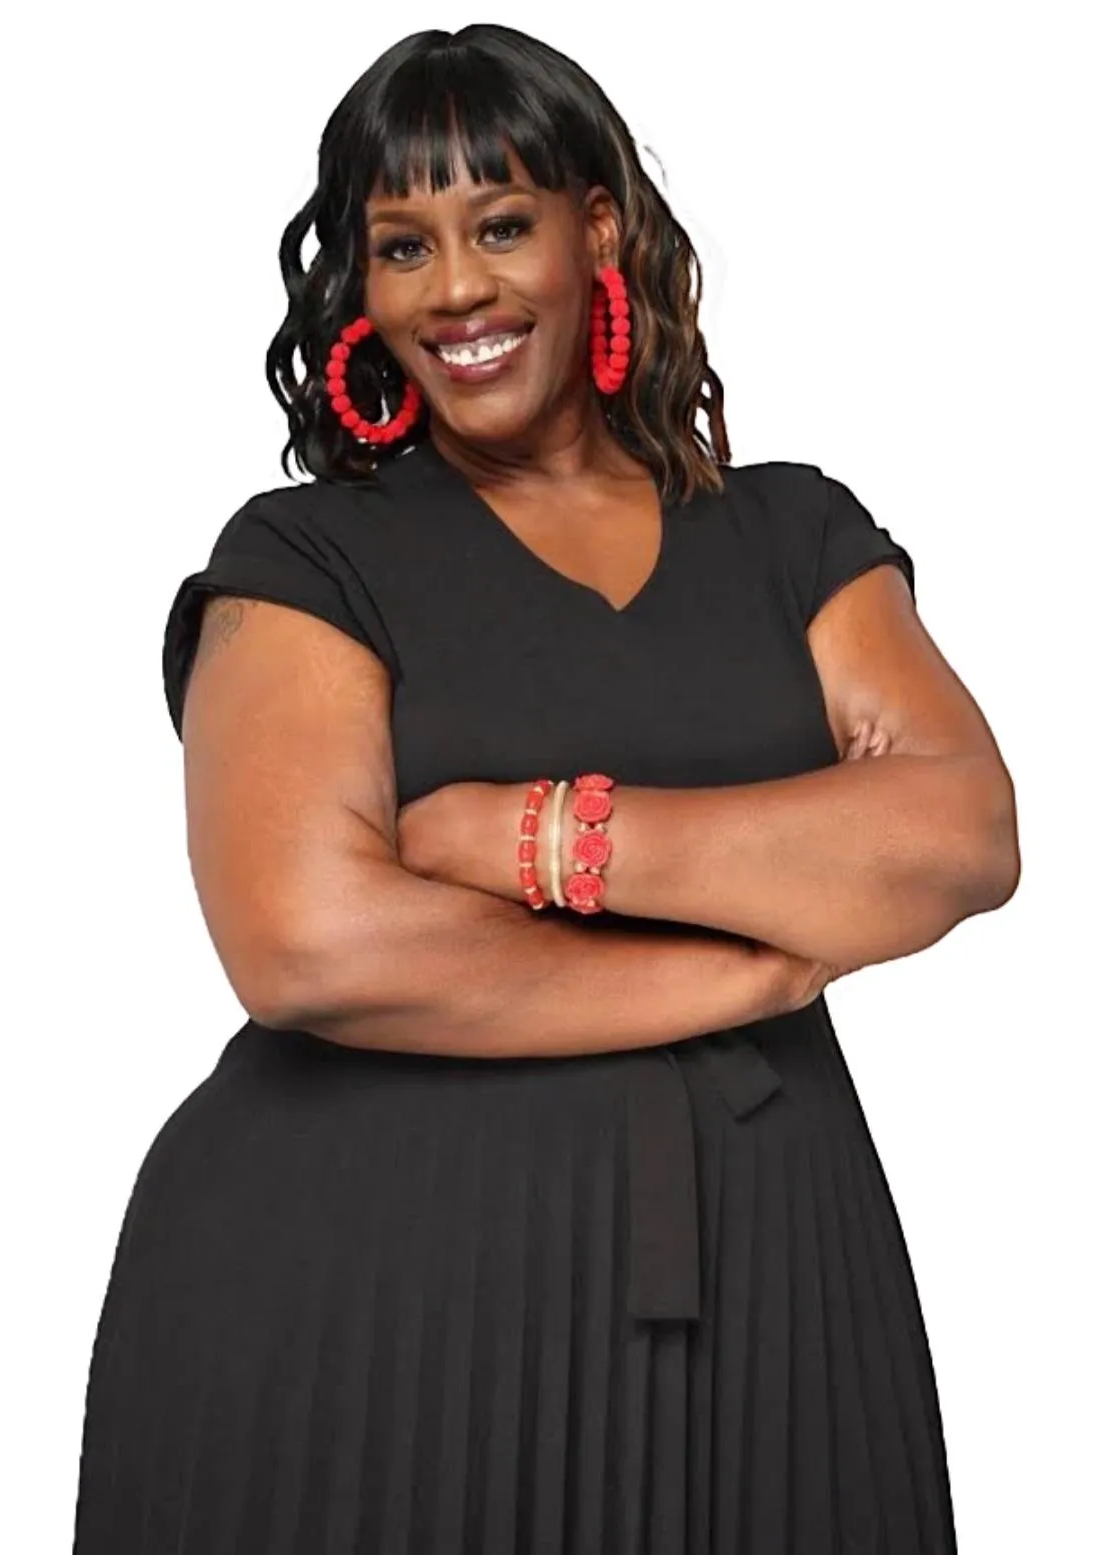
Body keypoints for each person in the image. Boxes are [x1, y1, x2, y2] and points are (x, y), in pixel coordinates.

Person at [73, 23, 1020, 1554]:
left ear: (598, 231)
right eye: (404, 246)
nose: (455, 289)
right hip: (362, 1294)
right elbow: (306, 940)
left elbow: (961, 831)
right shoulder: (307, 555)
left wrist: (537, 837)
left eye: (501, 225)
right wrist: (742, 964)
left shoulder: (791, 534)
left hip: (773, 1266)